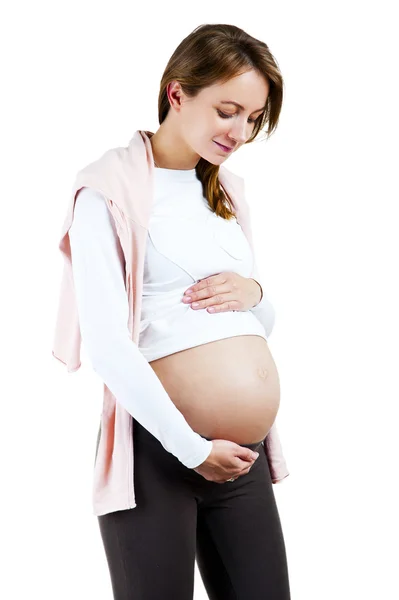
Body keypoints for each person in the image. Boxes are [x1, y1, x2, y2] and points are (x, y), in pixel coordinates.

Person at [65, 22, 291, 600]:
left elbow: (249, 328)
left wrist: (258, 296)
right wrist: (193, 449)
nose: (239, 132)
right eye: (227, 110)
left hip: (240, 462)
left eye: (253, 119)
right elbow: (108, 344)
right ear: (177, 93)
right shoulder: (106, 191)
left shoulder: (226, 193)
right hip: (158, 458)